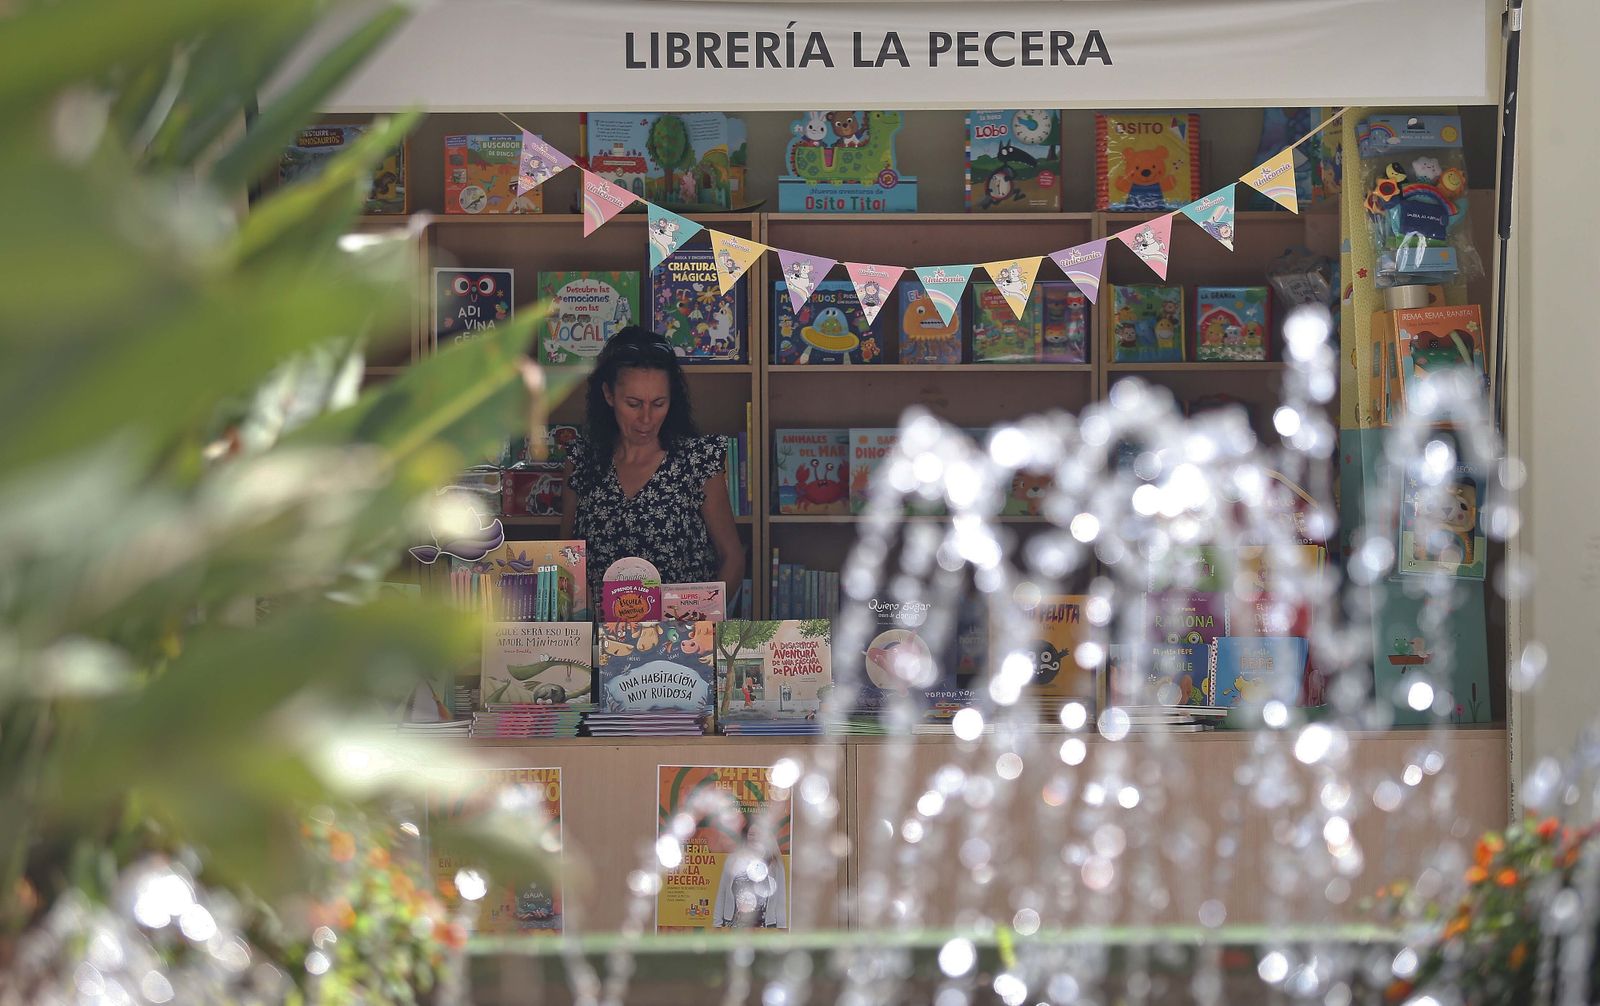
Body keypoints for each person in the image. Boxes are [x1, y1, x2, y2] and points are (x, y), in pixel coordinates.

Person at [559, 327, 745, 609]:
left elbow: (732, 557)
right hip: (599, 641)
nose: (646, 418)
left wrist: (701, 619)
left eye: (659, 403)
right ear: (608, 395)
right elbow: (566, 557)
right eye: (633, 404)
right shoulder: (582, 461)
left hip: (678, 639)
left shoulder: (697, 461)